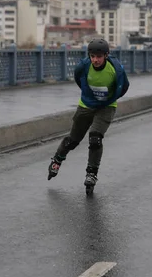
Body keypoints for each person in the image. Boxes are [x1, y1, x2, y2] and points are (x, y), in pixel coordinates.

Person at [47, 38, 130, 194]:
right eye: (92, 56)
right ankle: (57, 159)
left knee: (95, 137)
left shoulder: (115, 69)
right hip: (87, 104)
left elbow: (124, 87)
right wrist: (91, 97)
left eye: (99, 56)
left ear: (106, 55)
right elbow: (79, 80)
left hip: (106, 106)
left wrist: (109, 99)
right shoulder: (83, 67)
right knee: (73, 140)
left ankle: (91, 174)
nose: (95, 60)